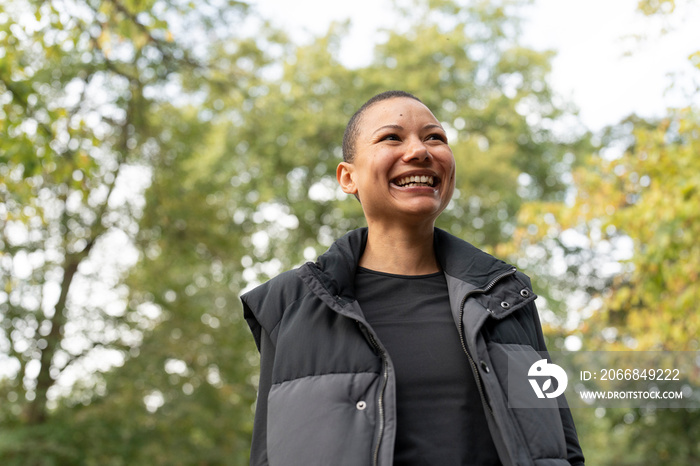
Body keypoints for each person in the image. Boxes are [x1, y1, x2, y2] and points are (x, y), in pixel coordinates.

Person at [240, 90, 585, 466]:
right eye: (391, 137)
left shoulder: (507, 298)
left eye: (435, 137)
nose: (420, 151)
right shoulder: (289, 305)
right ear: (347, 177)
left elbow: (560, 450)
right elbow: (269, 455)